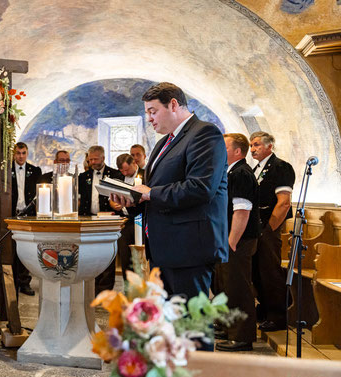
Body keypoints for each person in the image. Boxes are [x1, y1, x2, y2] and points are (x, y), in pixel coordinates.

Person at [112, 82, 228, 304]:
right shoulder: (164, 142)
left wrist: (150, 193)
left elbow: (200, 188)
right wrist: (130, 200)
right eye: (147, 113)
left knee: (189, 327)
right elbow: (152, 191)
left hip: (188, 248)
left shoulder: (204, 133)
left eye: (152, 111)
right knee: (171, 326)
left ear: (173, 105)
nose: (149, 118)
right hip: (163, 248)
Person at [214, 134, 260, 352]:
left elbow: (242, 210)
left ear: (238, 151)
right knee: (225, 284)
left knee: (238, 286)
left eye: (224, 147)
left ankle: (242, 336)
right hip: (228, 238)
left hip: (238, 240)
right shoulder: (232, 171)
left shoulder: (241, 173)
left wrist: (231, 241)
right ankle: (227, 326)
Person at [250, 131, 295, 332]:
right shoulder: (256, 169)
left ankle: (278, 315)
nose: (253, 149)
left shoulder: (280, 167)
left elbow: (284, 203)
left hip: (269, 226)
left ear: (269, 146)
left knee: (270, 271)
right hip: (255, 226)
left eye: (257, 145)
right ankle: (265, 307)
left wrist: (269, 230)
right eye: (251, 145)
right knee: (256, 271)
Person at [78, 145, 123, 295]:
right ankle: (91, 289)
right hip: (88, 219)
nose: (92, 162)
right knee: (89, 254)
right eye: (90, 159)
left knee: (106, 254)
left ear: (103, 158)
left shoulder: (115, 174)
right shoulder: (83, 177)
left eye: (95, 159)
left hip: (107, 220)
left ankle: (104, 291)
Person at [4, 142, 41, 296]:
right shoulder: (5, 170)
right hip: (10, 213)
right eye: (18, 153)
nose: (20, 156)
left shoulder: (35, 170)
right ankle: (10, 280)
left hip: (28, 213)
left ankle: (24, 282)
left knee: (26, 249)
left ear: (27, 153)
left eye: (23, 153)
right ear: (14, 154)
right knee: (10, 249)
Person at [115, 153, 143, 281]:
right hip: (125, 222)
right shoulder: (118, 177)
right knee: (126, 259)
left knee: (140, 258)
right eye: (122, 170)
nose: (124, 173)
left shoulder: (146, 174)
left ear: (134, 164)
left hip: (141, 221)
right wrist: (113, 203)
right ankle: (128, 290)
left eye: (127, 170)